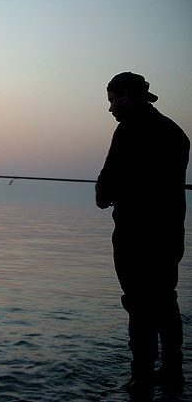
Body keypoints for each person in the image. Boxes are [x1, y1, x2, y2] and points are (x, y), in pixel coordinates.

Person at [96, 72, 189, 396]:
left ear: (126, 95)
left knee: (138, 303)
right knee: (165, 299)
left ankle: (142, 374)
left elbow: (106, 186)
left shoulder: (128, 131)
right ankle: (173, 369)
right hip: (169, 234)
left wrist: (102, 193)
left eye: (112, 100)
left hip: (136, 235)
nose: (110, 109)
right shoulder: (176, 133)